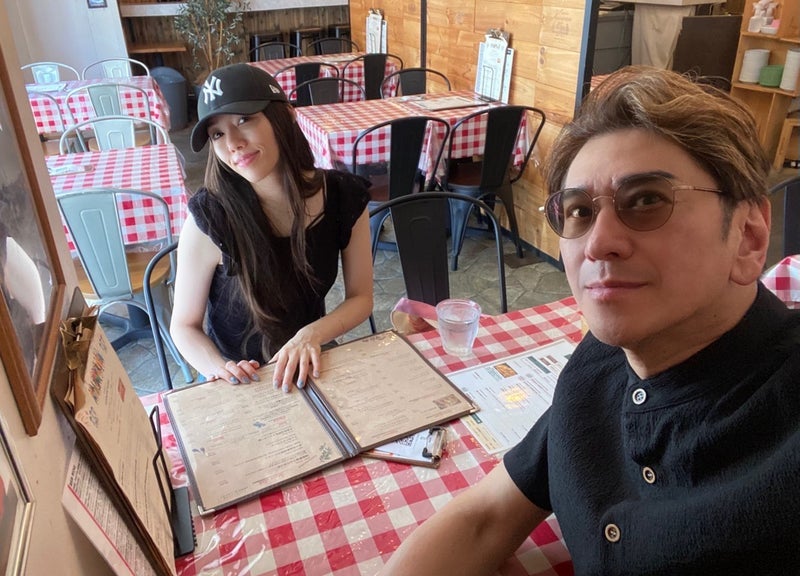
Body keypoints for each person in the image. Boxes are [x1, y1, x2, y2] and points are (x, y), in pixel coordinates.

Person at [380, 66, 800, 574]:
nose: (599, 243)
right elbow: (485, 519)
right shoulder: (599, 363)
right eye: (579, 210)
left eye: (647, 200)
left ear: (749, 236)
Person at [171, 63, 373, 391]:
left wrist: (312, 334)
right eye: (217, 134)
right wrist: (220, 368)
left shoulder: (343, 196)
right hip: (241, 378)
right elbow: (184, 326)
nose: (233, 143)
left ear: (287, 116)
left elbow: (361, 297)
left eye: (244, 119)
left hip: (310, 359)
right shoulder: (208, 219)